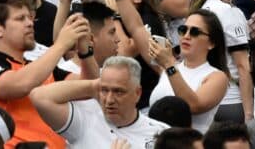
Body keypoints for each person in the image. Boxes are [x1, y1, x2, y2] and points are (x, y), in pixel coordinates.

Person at [0, 0, 96, 148]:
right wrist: (61, 44)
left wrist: (85, 50)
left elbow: (89, 85)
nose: (30, 23)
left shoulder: (40, 68)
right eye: (20, 18)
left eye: (30, 17)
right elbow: (20, 85)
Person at [31, 55, 169, 148]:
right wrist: (92, 86)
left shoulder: (161, 134)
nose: (109, 100)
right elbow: (39, 97)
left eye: (118, 92)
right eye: (104, 90)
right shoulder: (85, 121)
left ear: (137, 93)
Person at [191, 0, 253, 122]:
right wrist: (249, 115)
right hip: (231, 101)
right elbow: (242, 66)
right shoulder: (230, 12)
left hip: (204, 97)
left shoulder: (203, 8)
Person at [148, 10, 230, 133]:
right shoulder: (170, 68)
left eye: (195, 32)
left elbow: (192, 106)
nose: (186, 36)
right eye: (183, 30)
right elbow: (137, 28)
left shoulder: (217, 77)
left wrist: (169, 65)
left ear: (212, 43)